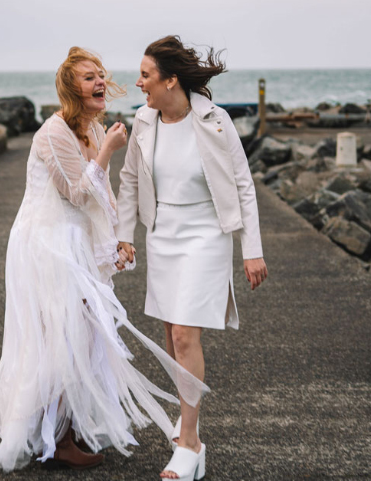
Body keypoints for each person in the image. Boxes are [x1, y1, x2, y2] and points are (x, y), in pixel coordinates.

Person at [0, 46, 208, 473]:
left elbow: (101, 194)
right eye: (89, 78)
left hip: (76, 240)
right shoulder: (54, 132)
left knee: (83, 335)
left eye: (100, 75)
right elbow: (75, 192)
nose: (100, 82)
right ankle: (58, 440)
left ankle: (61, 428)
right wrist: (107, 149)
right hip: (47, 243)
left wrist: (120, 240)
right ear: (72, 88)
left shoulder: (91, 126)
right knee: (60, 337)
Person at [116, 36, 268, 480]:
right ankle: (193, 439)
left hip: (206, 235)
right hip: (163, 234)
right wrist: (124, 235)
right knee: (171, 336)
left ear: (171, 80)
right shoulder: (145, 120)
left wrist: (251, 250)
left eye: (146, 75)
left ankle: (188, 441)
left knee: (184, 335)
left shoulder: (215, 119)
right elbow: (129, 181)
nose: (139, 83)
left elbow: (242, 184)